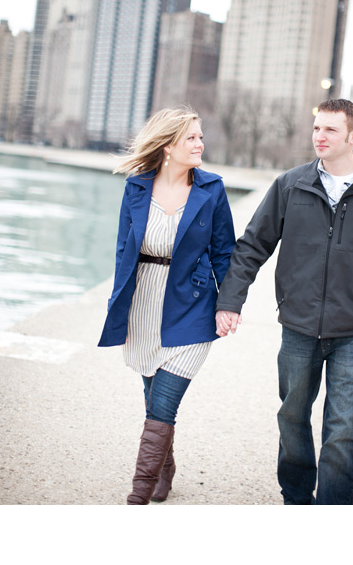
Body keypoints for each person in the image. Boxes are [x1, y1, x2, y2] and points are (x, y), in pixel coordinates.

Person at [215, 98, 353, 505]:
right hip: (298, 325)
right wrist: (230, 301)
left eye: (330, 129)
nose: (320, 136)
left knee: (344, 427)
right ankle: (296, 499)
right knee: (292, 416)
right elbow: (252, 246)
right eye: (317, 128)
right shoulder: (291, 184)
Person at [98, 107, 235, 505]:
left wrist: (229, 304)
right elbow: (124, 249)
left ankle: (140, 490)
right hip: (144, 300)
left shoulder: (212, 189)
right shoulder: (137, 188)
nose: (200, 144)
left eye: (200, 136)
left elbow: (225, 253)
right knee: (152, 394)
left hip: (192, 306)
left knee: (164, 400)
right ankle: (164, 469)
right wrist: (118, 303)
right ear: (169, 146)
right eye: (191, 137)